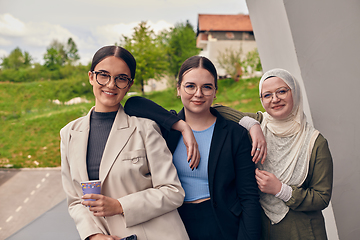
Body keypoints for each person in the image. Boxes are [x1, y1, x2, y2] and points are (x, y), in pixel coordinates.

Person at [124, 56, 262, 240]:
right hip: (175, 224)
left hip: (222, 225)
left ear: (215, 92)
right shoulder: (167, 130)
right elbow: (132, 104)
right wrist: (182, 127)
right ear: (178, 89)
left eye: (207, 87)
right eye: (190, 86)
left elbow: (249, 197)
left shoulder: (235, 135)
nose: (198, 93)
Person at [60, 45, 190, 240]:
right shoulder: (69, 134)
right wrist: (93, 235)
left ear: (129, 85)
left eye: (121, 78)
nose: (111, 84)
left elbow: (173, 191)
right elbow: (76, 202)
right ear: (91, 77)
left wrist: (120, 206)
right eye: (103, 75)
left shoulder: (145, 129)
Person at [213, 68, 333, 239]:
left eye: (282, 91)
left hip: (302, 231)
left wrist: (281, 190)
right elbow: (216, 109)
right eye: (267, 95)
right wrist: (252, 126)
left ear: (295, 93)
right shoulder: (259, 124)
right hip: (263, 228)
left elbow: (322, 198)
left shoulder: (315, 142)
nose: (275, 99)